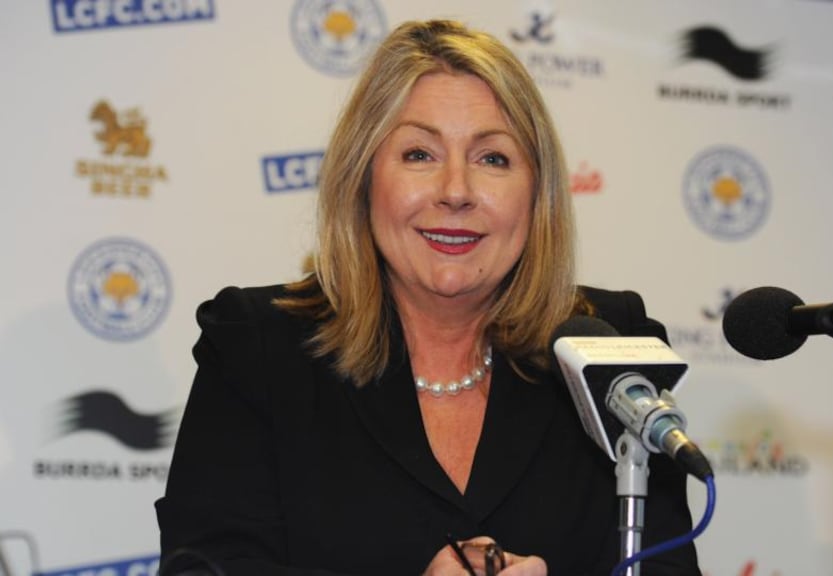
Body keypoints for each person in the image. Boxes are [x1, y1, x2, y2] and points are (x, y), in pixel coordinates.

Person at [156, 19, 702, 576]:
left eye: (493, 158)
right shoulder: (258, 348)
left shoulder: (613, 348)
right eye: (419, 154)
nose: (456, 192)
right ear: (364, 178)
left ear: (538, 194)